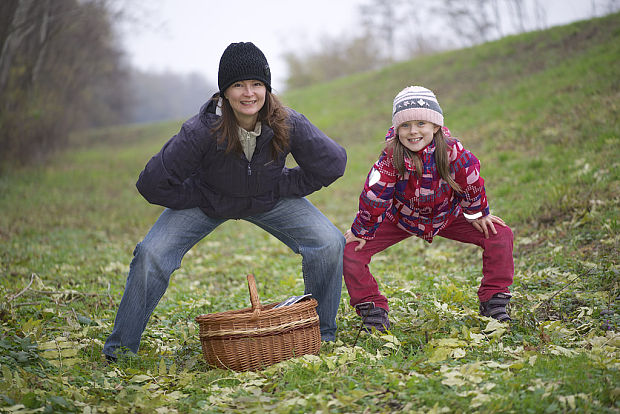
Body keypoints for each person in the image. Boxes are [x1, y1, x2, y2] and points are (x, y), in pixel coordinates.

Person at [103, 42, 346, 361]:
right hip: (209, 202)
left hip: (266, 199)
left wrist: (280, 184)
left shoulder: (286, 121)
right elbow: (152, 183)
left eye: (257, 84)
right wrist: (202, 194)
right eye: (238, 85)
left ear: (267, 89)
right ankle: (121, 350)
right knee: (151, 254)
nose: (249, 93)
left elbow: (332, 163)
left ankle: (322, 334)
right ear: (224, 92)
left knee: (328, 242)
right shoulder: (202, 129)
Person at [343, 86, 514, 332]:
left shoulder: (455, 153)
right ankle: (372, 309)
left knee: (500, 234)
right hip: (400, 219)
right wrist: (363, 230)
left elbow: (471, 181)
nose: (413, 131)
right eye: (405, 125)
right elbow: (375, 196)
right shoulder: (391, 158)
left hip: (448, 216)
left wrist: (477, 213)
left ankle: (494, 300)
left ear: (435, 126)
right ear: (396, 129)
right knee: (351, 250)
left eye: (421, 123)